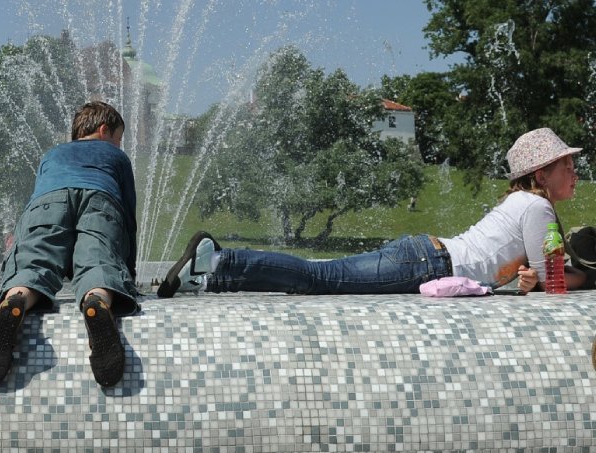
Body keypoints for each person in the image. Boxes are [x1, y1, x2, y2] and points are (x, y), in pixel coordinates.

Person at [159, 127, 586, 297]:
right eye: (567, 164)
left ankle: (214, 274)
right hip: (427, 263)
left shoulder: (522, 202)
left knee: (319, 274)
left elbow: (542, 275)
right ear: (542, 173)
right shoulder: (536, 208)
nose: (574, 172)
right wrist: (583, 276)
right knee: (317, 277)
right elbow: (553, 282)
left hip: (424, 255)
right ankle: (219, 259)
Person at [0, 101, 138, 388]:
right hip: (101, 199)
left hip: (48, 202)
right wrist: (128, 272)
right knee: (99, 261)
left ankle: (15, 299)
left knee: (35, 262)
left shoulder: (52, 154)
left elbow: (34, 211)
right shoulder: (116, 156)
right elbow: (127, 212)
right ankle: (97, 300)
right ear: (104, 131)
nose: (119, 144)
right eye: (118, 138)